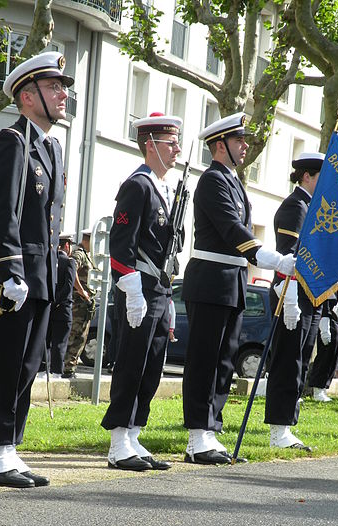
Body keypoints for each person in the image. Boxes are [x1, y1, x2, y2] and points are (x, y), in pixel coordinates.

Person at [0, 52, 74, 488]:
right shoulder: (11, 142)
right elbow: (2, 214)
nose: (63, 94)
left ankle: (8, 450)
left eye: (62, 87)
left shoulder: (49, 147)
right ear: (27, 96)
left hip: (42, 275)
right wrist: (11, 268)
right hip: (12, 275)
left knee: (28, 365)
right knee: (5, 362)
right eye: (54, 87)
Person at [181, 113, 296, 465]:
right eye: (239, 141)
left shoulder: (231, 180)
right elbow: (232, 230)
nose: (246, 146)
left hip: (231, 281)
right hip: (211, 279)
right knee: (205, 359)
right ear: (220, 145)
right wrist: (274, 260)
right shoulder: (213, 181)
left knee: (224, 359)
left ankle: (210, 430)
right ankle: (197, 435)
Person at [101, 112, 183, 471]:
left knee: (152, 365)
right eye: (170, 143)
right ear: (151, 146)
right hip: (140, 288)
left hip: (160, 290)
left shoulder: (163, 189)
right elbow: (120, 244)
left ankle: (134, 434)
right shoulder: (137, 186)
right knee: (132, 362)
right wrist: (132, 290)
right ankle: (118, 440)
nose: (177, 148)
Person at [264, 152, 325, 451]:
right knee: (288, 363)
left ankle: (287, 424)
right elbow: (287, 257)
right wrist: (289, 299)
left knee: (300, 363)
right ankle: (278, 429)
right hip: (292, 295)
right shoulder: (295, 207)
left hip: (309, 297)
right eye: (321, 178)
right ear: (306, 176)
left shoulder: (311, 208)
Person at [38, 233, 76, 379]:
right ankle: (56, 372)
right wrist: (58, 301)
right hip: (63, 309)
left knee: (45, 341)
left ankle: (42, 371)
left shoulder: (49, 260)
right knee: (60, 343)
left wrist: (51, 302)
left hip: (48, 309)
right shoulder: (70, 262)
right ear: (67, 246)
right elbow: (68, 286)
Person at [63, 229, 96, 378]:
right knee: (75, 337)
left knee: (81, 337)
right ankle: (66, 369)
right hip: (78, 303)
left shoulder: (87, 255)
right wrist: (82, 291)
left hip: (84, 305)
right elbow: (72, 269)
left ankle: (70, 368)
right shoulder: (80, 253)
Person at [307, 294, 338, 402]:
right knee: (327, 351)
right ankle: (318, 387)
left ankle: (323, 386)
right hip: (327, 313)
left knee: (335, 351)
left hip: (337, 313)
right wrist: (325, 316)